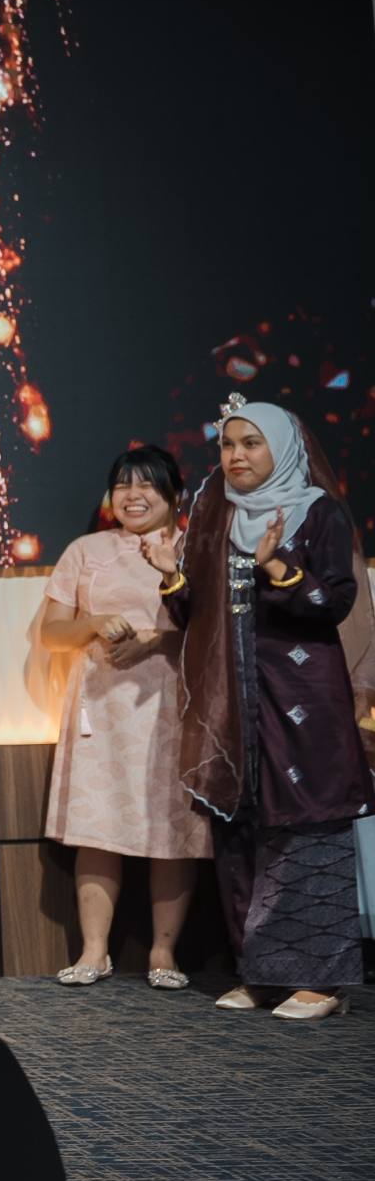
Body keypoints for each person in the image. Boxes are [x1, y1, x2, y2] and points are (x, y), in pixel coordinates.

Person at [141, 396, 373, 1021]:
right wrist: (170, 575)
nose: (235, 456)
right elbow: (194, 614)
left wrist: (277, 566)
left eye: (251, 443)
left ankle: (319, 982)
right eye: (227, 444)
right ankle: (263, 973)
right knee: (241, 826)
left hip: (302, 698)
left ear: (283, 448)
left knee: (307, 826)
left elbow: (334, 602)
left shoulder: (318, 511)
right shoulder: (215, 509)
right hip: (233, 700)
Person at [34, 445, 208, 988]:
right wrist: (94, 623)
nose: (133, 496)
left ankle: (163, 954)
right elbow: (51, 633)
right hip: (103, 710)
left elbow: (218, 631)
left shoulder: (197, 549)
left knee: (174, 832)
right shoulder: (86, 551)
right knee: (99, 829)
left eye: (147, 484)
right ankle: (94, 952)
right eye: (123, 485)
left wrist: (159, 640)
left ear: (176, 495)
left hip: (173, 705)